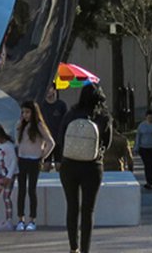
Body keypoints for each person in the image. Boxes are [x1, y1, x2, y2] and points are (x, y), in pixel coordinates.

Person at [58, 84, 112, 253]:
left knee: (72, 206)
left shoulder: (70, 114)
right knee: (88, 210)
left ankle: (73, 247)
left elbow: (60, 139)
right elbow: (107, 144)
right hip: (92, 166)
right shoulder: (104, 117)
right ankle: (85, 249)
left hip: (69, 166)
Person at [14, 100, 54, 231]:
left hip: (34, 160)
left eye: (27, 112)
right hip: (22, 159)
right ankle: (20, 219)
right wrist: (18, 126)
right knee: (21, 190)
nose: (25, 115)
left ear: (33, 112)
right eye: (23, 112)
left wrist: (43, 155)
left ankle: (32, 219)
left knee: (32, 190)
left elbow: (51, 142)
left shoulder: (39, 125)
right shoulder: (21, 125)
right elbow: (17, 142)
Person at [40, 84, 67, 170]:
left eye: (50, 89)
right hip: (45, 140)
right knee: (46, 165)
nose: (48, 91)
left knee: (59, 165)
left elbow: (66, 121)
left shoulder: (61, 105)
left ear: (55, 90)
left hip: (58, 139)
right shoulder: (41, 105)